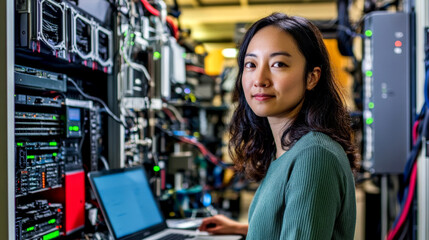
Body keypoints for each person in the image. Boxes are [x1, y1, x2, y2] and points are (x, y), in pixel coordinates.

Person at [198, 12, 357, 239]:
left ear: (312, 77)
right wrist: (244, 229)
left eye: (278, 64)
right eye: (251, 64)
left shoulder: (313, 156)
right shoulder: (287, 149)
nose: (259, 79)